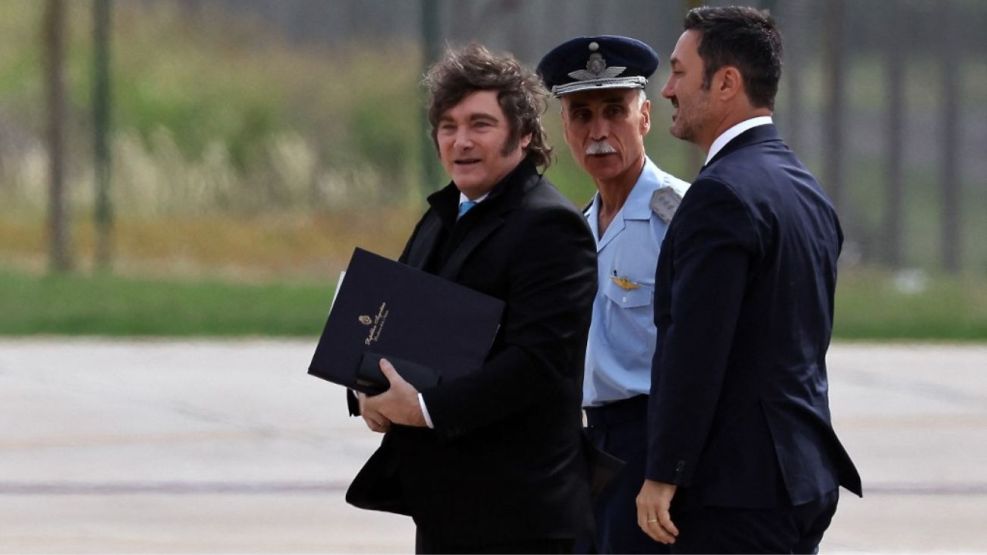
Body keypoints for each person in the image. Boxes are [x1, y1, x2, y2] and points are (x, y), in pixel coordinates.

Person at [346, 43, 597, 554]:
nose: (460, 141)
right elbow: (396, 324)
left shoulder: (550, 225)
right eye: (448, 125)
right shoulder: (441, 215)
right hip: (447, 511)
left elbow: (538, 363)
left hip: (520, 520)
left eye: (480, 125)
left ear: (524, 135)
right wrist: (366, 392)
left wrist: (423, 409)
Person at [636, 6, 863, 553]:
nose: (667, 90)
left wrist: (664, 471)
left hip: (738, 489)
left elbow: (697, 347)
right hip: (802, 475)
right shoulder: (802, 186)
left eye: (680, 72)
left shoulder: (721, 195)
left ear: (726, 83)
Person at [538, 35, 688, 554]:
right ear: (564, 127)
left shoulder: (680, 216)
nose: (598, 132)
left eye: (614, 112)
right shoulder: (578, 226)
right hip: (590, 442)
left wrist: (668, 467)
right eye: (581, 115)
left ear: (644, 117)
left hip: (654, 439)